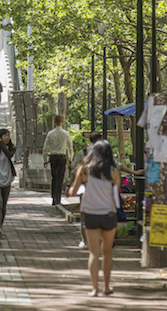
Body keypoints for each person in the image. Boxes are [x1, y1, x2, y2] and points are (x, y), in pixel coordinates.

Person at [68, 140, 121, 297]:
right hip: (109, 214)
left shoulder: (84, 170)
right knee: (107, 252)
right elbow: (115, 191)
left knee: (93, 253)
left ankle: (94, 289)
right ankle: (106, 287)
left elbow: (73, 191)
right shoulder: (114, 171)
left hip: (91, 214)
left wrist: (71, 189)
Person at [71, 131, 103, 249]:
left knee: (84, 215)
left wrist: (70, 184)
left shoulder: (82, 153)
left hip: (84, 188)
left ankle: (85, 240)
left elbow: (74, 169)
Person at [43, 115, 74, 205]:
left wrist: (45, 159)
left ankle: (53, 197)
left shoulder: (50, 133)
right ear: (62, 122)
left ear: (54, 122)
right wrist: (70, 158)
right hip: (62, 157)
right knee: (60, 178)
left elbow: (45, 148)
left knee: (54, 177)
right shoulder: (66, 134)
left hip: (53, 157)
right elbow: (70, 148)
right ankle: (58, 198)